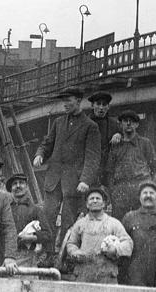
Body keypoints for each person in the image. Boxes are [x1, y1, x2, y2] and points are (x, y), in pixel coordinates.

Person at [32, 87, 100, 255]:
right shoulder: (58, 122)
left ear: (78, 100)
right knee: (47, 217)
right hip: (54, 180)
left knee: (69, 223)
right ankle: (47, 256)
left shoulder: (90, 126)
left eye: (68, 100)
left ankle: (65, 258)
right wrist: (40, 154)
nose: (65, 104)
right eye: (64, 101)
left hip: (74, 183)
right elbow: (47, 143)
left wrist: (85, 180)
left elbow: (93, 157)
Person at [66, 186, 133, 284]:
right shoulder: (80, 224)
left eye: (98, 198)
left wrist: (115, 250)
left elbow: (128, 243)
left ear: (104, 204)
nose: (94, 201)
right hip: (83, 274)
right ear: (87, 204)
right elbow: (71, 243)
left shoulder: (114, 223)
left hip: (106, 275)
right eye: (91, 199)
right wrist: (75, 252)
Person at [106, 110, 156, 221]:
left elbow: (154, 166)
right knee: (120, 224)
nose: (129, 124)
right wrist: (113, 192)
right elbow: (109, 170)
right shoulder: (116, 145)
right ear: (120, 124)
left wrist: (148, 185)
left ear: (137, 124)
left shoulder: (145, 143)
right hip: (121, 191)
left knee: (142, 222)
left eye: (132, 121)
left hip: (140, 188)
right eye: (125, 121)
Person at [120, 181, 156, 287]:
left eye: (152, 193)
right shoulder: (129, 217)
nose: (148, 196)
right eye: (145, 193)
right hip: (135, 273)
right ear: (139, 197)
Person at [5, 173, 52, 268]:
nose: (18, 186)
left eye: (21, 183)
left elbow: (48, 235)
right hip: (7, 257)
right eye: (15, 184)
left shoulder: (36, 210)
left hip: (28, 257)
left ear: (27, 187)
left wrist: (31, 237)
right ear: (11, 188)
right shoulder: (5, 209)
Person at [88, 92, 121, 183]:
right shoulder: (85, 123)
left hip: (108, 170)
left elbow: (126, 136)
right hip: (89, 170)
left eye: (104, 104)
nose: (101, 107)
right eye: (98, 104)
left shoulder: (114, 123)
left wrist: (119, 134)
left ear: (108, 107)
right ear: (92, 105)